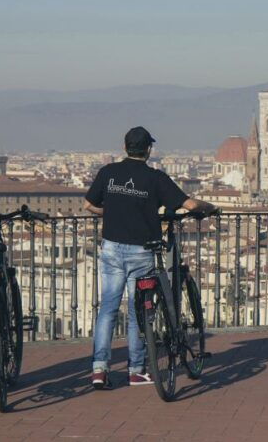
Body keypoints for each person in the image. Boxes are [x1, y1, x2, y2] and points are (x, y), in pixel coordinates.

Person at [85, 126, 217, 389]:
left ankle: (99, 369)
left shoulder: (108, 172)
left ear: (125, 147)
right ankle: (136, 370)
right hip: (142, 252)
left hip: (111, 249)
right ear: (148, 150)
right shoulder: (155, 178)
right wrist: (210, 207)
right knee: (139, 313)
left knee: (108, 310)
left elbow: (89, 205)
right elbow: (190, 205)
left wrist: (113, 212)